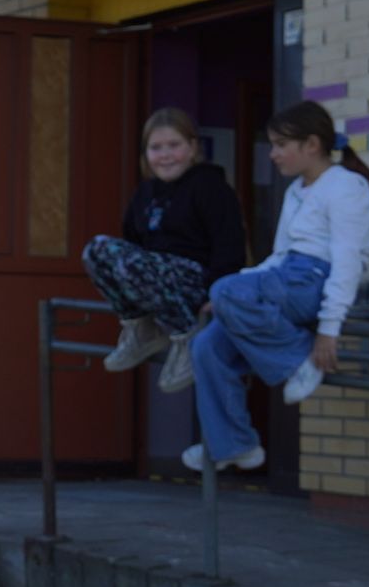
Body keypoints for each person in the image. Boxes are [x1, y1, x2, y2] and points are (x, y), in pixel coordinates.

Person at [183, 101, 369, 472]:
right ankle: (235, 444)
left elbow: (347, 263)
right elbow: (278, 257)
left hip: (314, 282)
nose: (273, 154)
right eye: (271, 145)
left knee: (224, 290)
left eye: (280, 145)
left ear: (311, 144)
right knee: (206, 345)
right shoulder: (296, 191)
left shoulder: (345, 186)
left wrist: (327, 331)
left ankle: (299, 359)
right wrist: (235, 293)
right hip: (287, 276)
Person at [82, 108, 246, 394]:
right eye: (156, 148)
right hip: (157, 281)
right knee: (95, 250)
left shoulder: (211, 187)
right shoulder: (144, 194)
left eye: (174, 145)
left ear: (193, 147)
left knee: (125, 259)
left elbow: (229, 244)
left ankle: (186, 336)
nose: (165, 155)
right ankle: (141, 328)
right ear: (146, 154)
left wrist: (219, 292)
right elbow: (131, 244)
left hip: (196, 281)